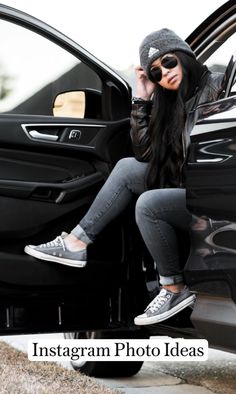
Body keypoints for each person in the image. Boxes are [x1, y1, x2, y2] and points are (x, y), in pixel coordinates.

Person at [24, 28, 224, 326]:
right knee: (128, 167)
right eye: (155, 72)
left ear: (184, 56)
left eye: (168, 62)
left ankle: (173, 288)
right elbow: (145, 155)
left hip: (214, 190)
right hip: (189, 184)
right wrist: (143, 97)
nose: (164, 74)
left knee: (149, 205)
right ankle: (77, 244)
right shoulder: (169, 102)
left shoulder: (218, 85)